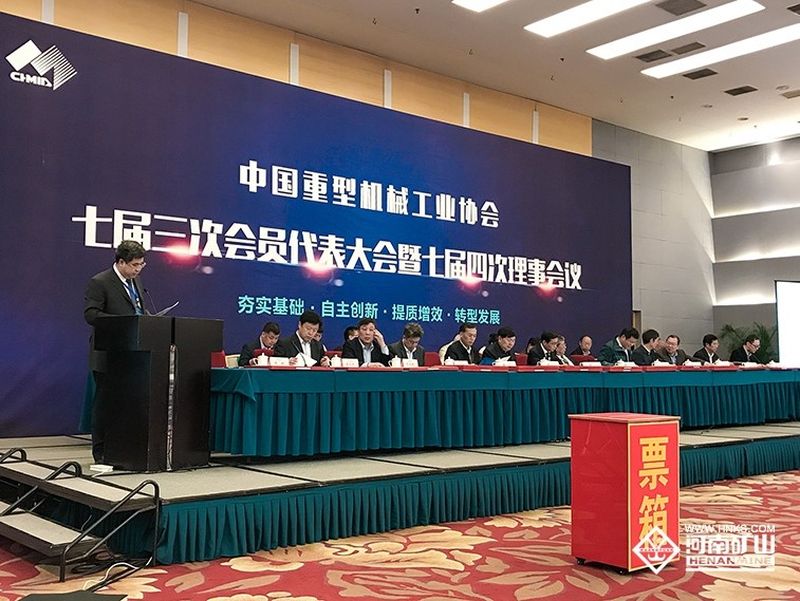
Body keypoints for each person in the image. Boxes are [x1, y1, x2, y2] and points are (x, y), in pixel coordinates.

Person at [84, 240, 148, 462]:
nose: (138, 269)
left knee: (128, 404)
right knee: (105, 404)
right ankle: (101, 451)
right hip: (108, 354)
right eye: (135, 265)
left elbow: (137, 311)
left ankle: (124, 449)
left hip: (131, 355)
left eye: (141, 264)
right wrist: (123, 323)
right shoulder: (100, 282)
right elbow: (91, 314)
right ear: (121, 262)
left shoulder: (135, 281)